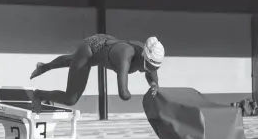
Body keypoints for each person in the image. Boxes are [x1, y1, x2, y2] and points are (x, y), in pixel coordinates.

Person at [29, 34, 165, 113]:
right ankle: (39, 95)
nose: (148, 71)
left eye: (154, 68)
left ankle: (43, 67)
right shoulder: (125, 56)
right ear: (143, 57)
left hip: (103, 46)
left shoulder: (145, 56)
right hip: (90, 49)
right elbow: (123, 93)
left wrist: (154, 84)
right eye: (148, 66)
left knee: (72, 60)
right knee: (70, 99)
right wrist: (139, 100)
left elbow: (151, 72)